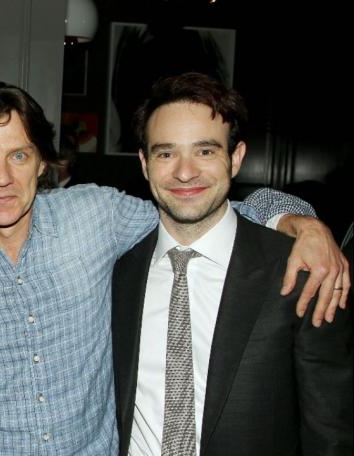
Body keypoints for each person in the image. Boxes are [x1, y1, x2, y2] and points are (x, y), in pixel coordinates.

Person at [0, 81, 347, 454]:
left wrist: (297, 220)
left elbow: (194, 204)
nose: (2, 178)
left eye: (19, 156)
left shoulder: (96, 215)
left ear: (43, 162)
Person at [110, 72, 352, 456]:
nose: (185, 172)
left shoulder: (302, 269)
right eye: (166, 153)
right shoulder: (118, 273)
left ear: (236, 158)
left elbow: (332, 431)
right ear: (144, 163)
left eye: (205, 151)